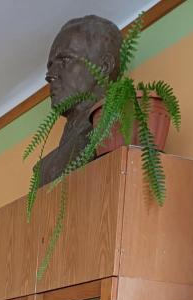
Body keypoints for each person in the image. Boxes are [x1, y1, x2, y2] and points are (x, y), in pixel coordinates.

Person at [39, 15, 121, 185]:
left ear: (104, 66)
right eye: (50, 65)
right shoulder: (46, 167)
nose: (49, 75)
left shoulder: (115, 133)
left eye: (65, 60)